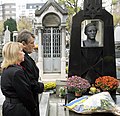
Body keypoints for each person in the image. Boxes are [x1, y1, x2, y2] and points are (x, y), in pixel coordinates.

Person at [1, 42, 37, 116]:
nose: (23, 53)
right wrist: (34, 108)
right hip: (18, 108)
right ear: (15, 54)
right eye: (21, 51)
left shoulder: (7, 69)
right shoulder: (17, 72)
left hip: (9, 106)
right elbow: (26, 94)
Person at [17, 29, 44, 116]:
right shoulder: (23, 59)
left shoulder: (26, 57)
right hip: (27, 102)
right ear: (23, 44)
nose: (34, 45)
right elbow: (28, 82)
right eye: (31, 43)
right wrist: (41, 86)